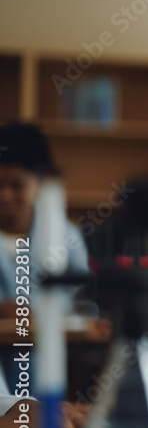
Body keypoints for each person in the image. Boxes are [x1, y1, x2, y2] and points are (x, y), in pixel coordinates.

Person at [0, 123, 88, 300]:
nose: (5, 196)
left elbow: (81, 296)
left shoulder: (66, 236)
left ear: (40, 182)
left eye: (17, 185)